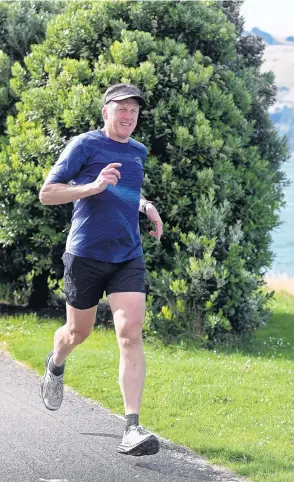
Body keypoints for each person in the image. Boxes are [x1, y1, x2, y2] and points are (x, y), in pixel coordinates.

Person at [39, 83, 163, 457]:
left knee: (130, 333)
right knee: (79, 332)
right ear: (105, 112)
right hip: (86, 255)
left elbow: (122, 192)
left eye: (134, 111)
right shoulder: (85, 145)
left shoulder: (138, 152)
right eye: (121, 109)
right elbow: (48, 193)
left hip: (127, 254)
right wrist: (91, 187)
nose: (128, 117)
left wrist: (145, 206)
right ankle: (56, 363)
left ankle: (132, 427)